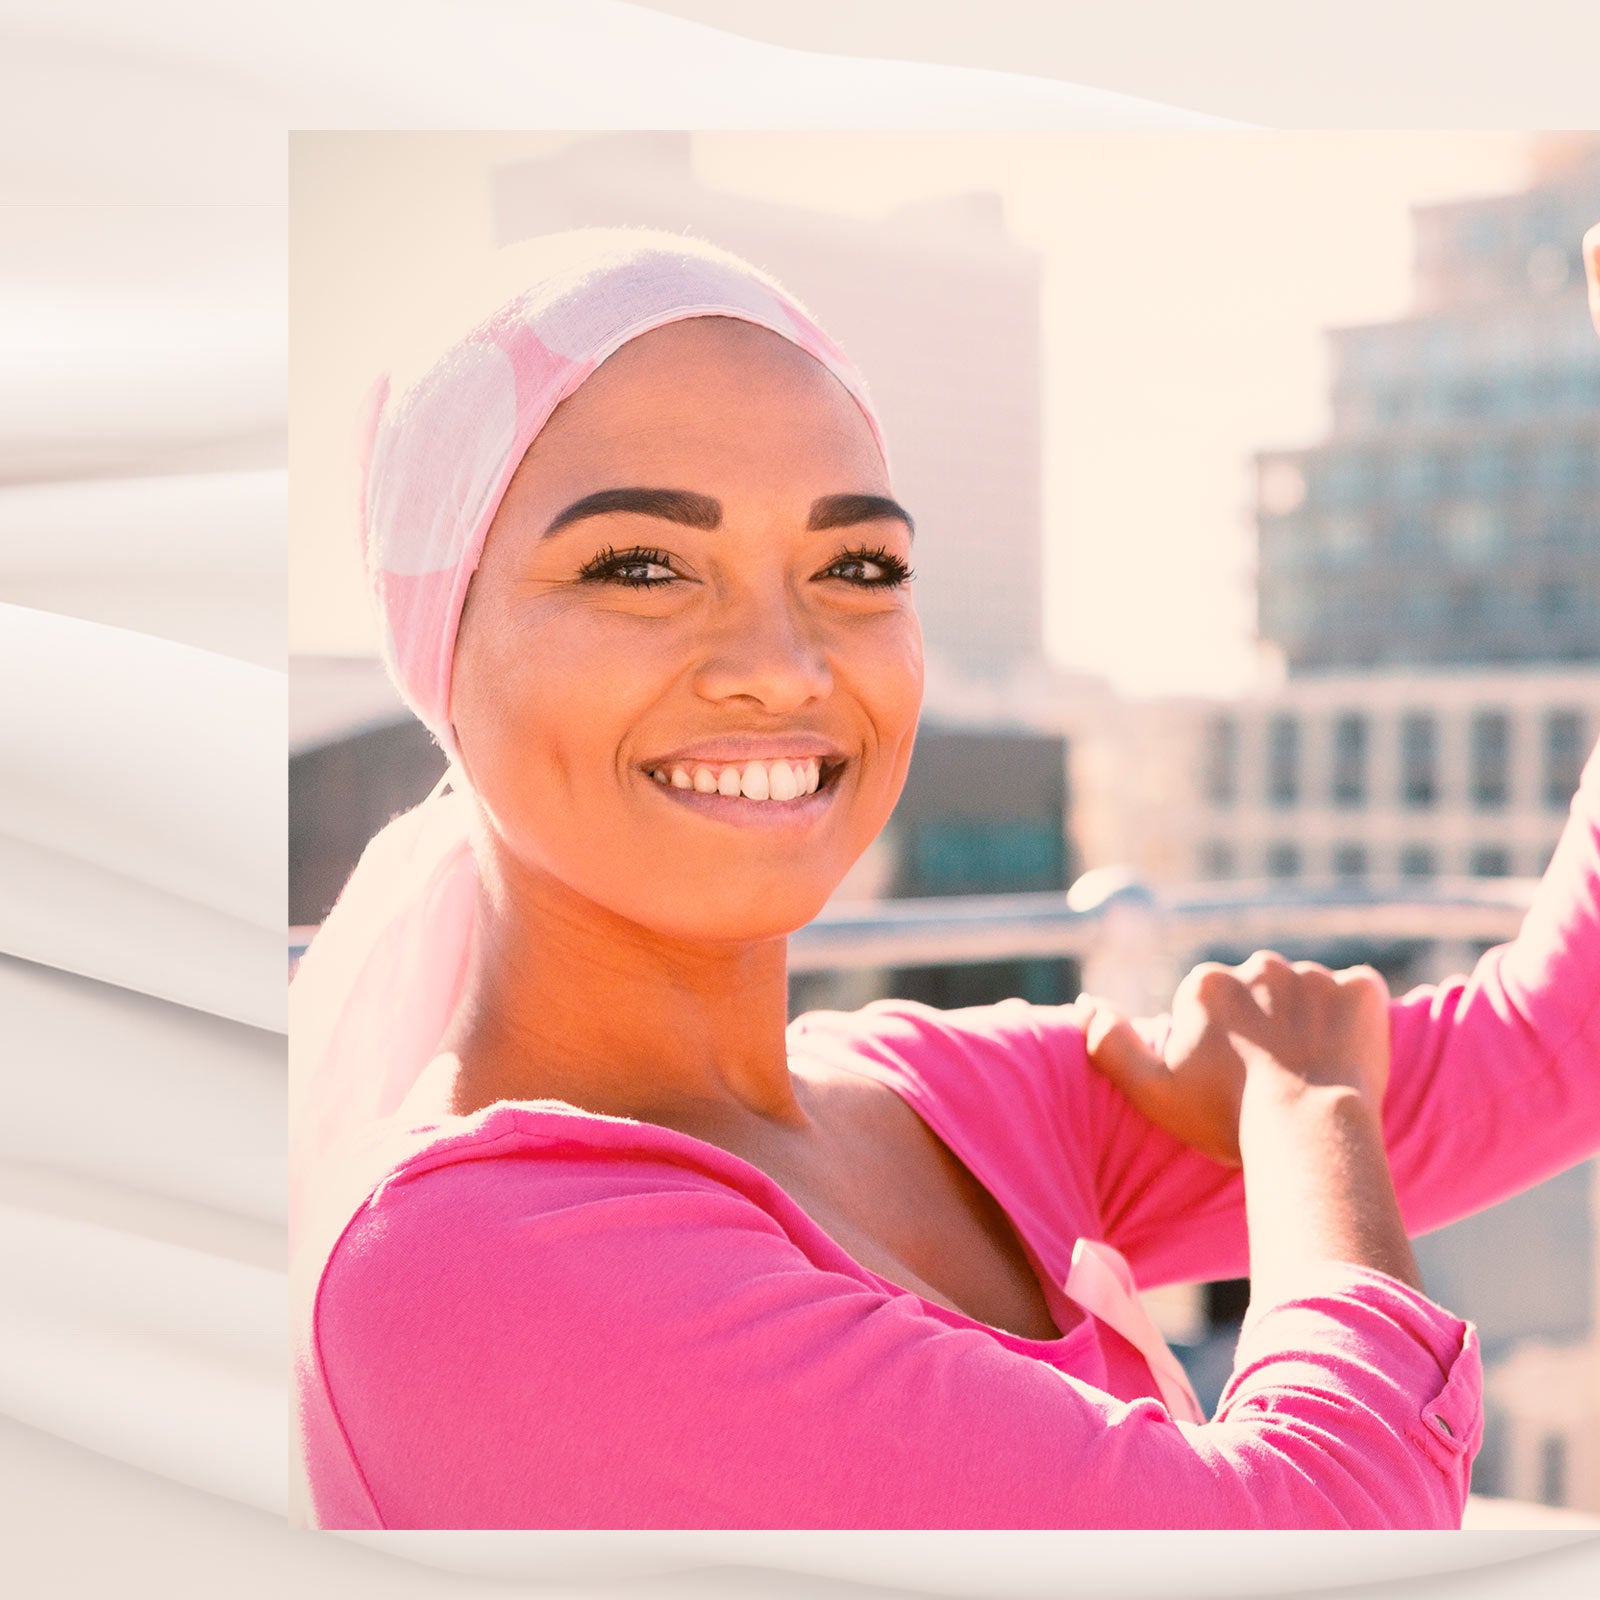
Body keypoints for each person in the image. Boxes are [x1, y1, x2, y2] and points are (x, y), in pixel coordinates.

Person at [290, 228, 1600, 1530]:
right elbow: (1324, 1540)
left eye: (855, 567)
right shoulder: (468, 1271)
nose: (787, 663)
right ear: (442, 647)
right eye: (642, 566)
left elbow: (1555, 1046)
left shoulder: (932, 1101)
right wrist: (1311, 1107)